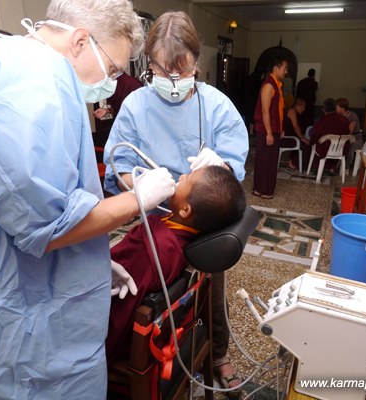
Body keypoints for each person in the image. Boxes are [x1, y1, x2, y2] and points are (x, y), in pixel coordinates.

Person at [0, 1, 177, 398]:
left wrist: (93, 260)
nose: (111, 82)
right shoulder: (38, 78)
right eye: (114, 69)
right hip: (13, 321)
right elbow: (46, 228)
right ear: (81, 41)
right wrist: (138, 199)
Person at [104, 11, 248, 394]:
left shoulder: (216, 107)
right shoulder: (136, 106)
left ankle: (215, 353)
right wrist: (140, 185)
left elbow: (232, 174)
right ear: (148, 64)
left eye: (180, 70)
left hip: (200, 223)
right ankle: (150, 347)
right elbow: (116, 166)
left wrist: (222, 167)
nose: (171, 80)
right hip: (155, 221)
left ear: (196, 64)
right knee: (146, 288)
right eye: (162, 70)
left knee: (208, 290)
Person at [106, 165, 247, 362]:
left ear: (185, 210)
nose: (180, 176)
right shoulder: (193, 235)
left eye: (186, 179)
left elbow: (116, 302)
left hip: (122, 339)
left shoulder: (152, 247)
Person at [252, 56, 288, 199]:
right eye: (284, 68)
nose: (286, 71)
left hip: (274, 129)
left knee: (271, 162)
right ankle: (260, 189)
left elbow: (277, 110)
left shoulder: (276, 84)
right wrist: (269, 133)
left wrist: (280, 128)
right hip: (266, 131)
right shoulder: (269, 85)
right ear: (276, 68)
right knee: (264, 161)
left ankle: (265, 189)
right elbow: (265, 111)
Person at [308, 98, 350, 172]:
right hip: (339, 150)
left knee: (318, 145)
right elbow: (347, 133)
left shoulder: (322, 121)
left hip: (324, 149)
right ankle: (332, 168)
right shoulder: (345, 120)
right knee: (338, 144)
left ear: (324, 109)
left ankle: (317, 168)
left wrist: (311, 142)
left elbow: (314, 135)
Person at [281, 97, 309, 171]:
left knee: (303, 142)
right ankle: (294, 163)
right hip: (286, 139)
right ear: (298, 105)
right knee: (305, 145)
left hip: (289, 137)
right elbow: (295, 126)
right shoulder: (292, 111)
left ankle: (292, 161)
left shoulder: (292, 111)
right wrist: (302, 138)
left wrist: (302, 137)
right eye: (303, 107)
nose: (304, 109)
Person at [335, 97, 362, 170]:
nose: (336, 109)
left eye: (337, 107)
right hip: (343, 137)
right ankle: (334, 167)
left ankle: (346, 168)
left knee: (349, 149)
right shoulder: (339, 116)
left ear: (342, 108)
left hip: (355, 139)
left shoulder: (352, 116)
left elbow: (349, 132)